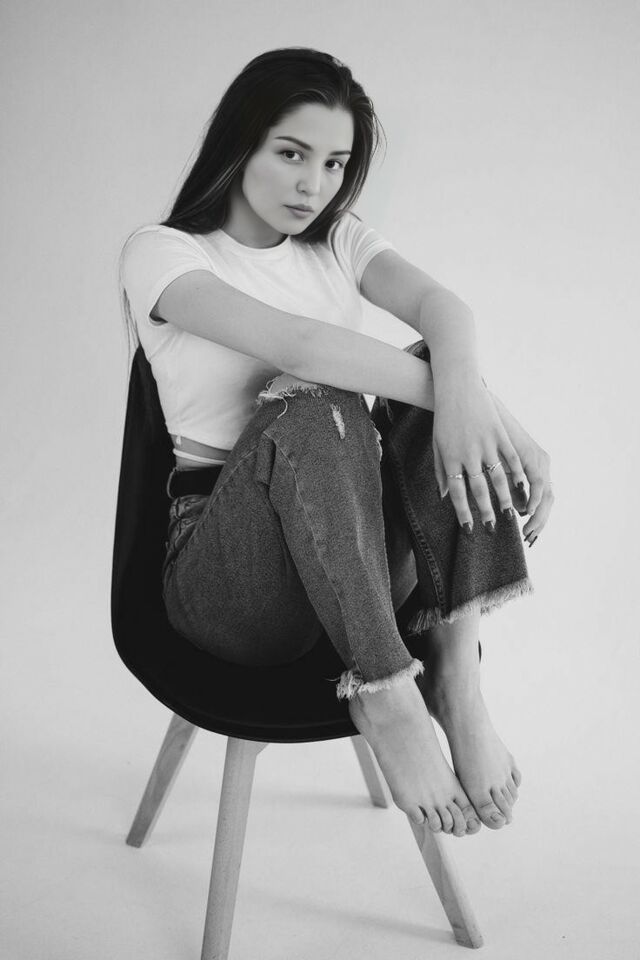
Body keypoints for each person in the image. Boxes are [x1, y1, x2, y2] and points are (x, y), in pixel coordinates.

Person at [118, 47, 554, 839]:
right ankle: (386, 693)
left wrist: (467, 396)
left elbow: (445, 309)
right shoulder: (164, 252)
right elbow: (302, 347)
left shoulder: (338, 239)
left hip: (353, 562)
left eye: (333, 163)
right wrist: (487, 416)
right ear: (240, 143)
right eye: (291, 154)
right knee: (320, 398)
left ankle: (455, 678)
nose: (312, 185)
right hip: (232, 582)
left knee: (436, 366)